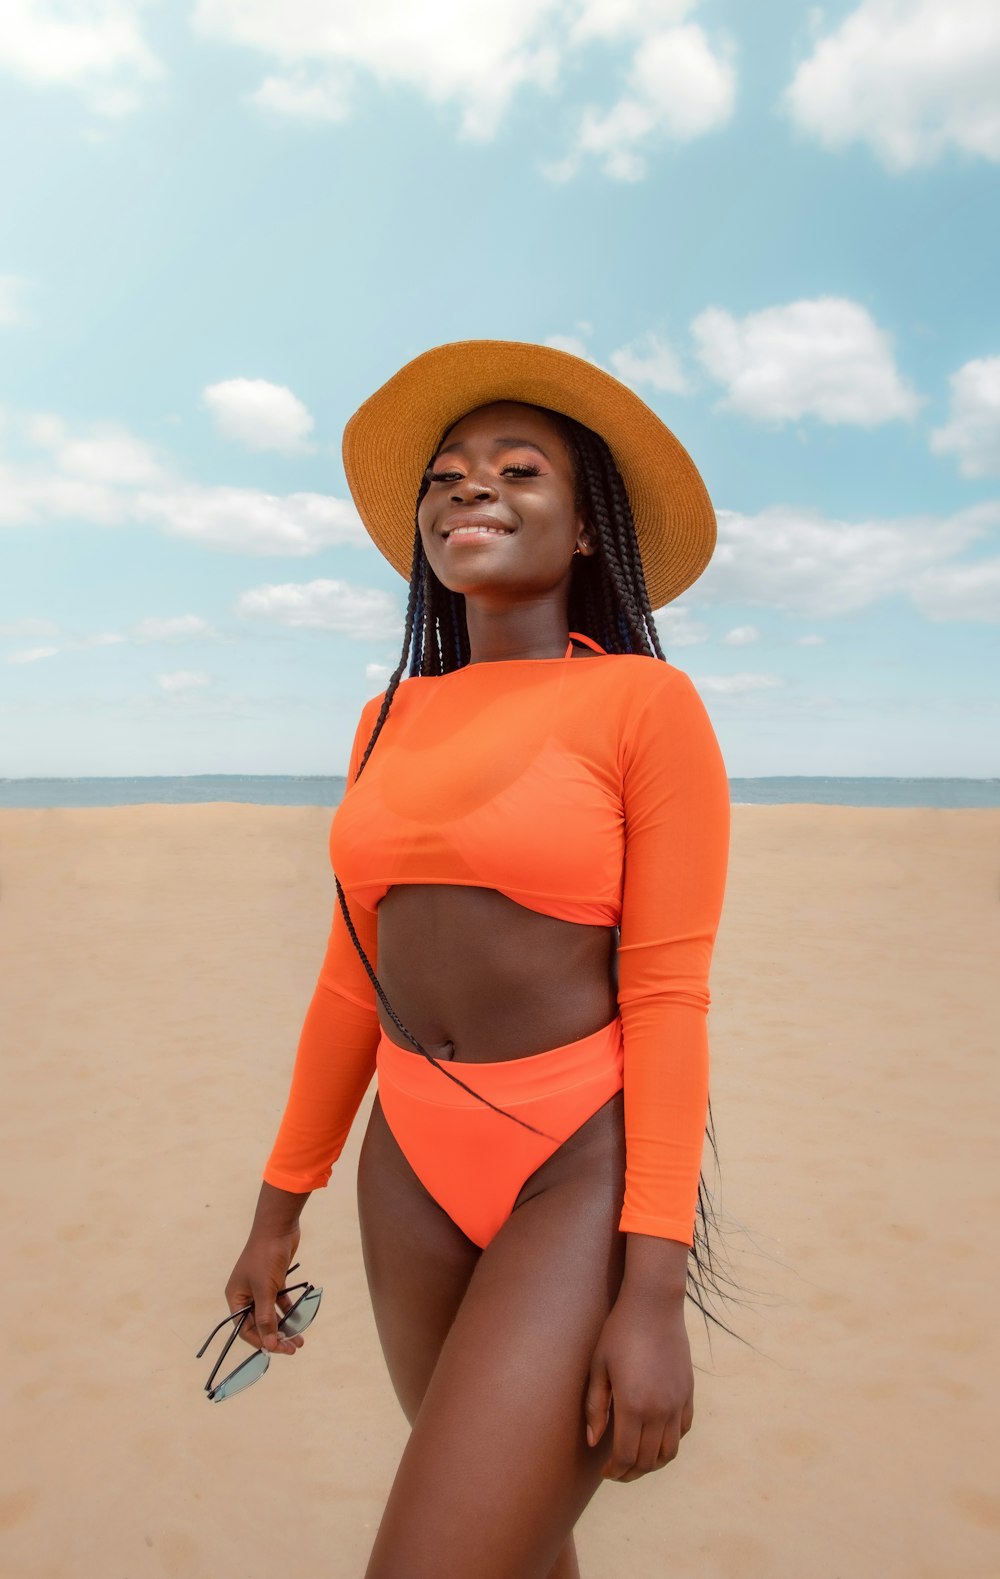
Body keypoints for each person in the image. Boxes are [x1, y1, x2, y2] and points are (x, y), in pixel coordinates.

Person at [218, 339, 731, 1579]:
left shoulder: (644, 706)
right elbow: (352, 973)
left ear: (588, 527)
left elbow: (665, 998)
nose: (470, 489)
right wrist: (277, 1208)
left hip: (573, 1163)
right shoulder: (386, 716)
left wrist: (653, 1295)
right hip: (410, 1160)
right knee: (514, 1544)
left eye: (517, 469)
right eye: (446, 475)